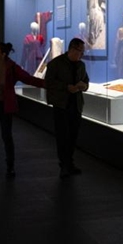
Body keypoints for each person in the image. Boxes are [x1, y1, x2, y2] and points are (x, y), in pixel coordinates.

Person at [0, 42, 45, 178]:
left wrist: (45, 83)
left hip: (5, 105)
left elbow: (27, 78)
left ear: (3, 54)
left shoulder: (12, 68)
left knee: (7, 135)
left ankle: (10, 165)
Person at [44, 38, 89, 179]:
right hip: (61, 105)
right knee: (63, 136)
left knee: (73, 136)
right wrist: (66, 87)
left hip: (76, 105)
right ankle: (64, 164)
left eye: (82, 52)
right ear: (72, 49)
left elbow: (86, 81)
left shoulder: (81, 65)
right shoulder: (55, 64)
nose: (82, 54)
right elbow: (49, 82)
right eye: (80, 51)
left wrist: (84, 86)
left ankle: (69, 163)